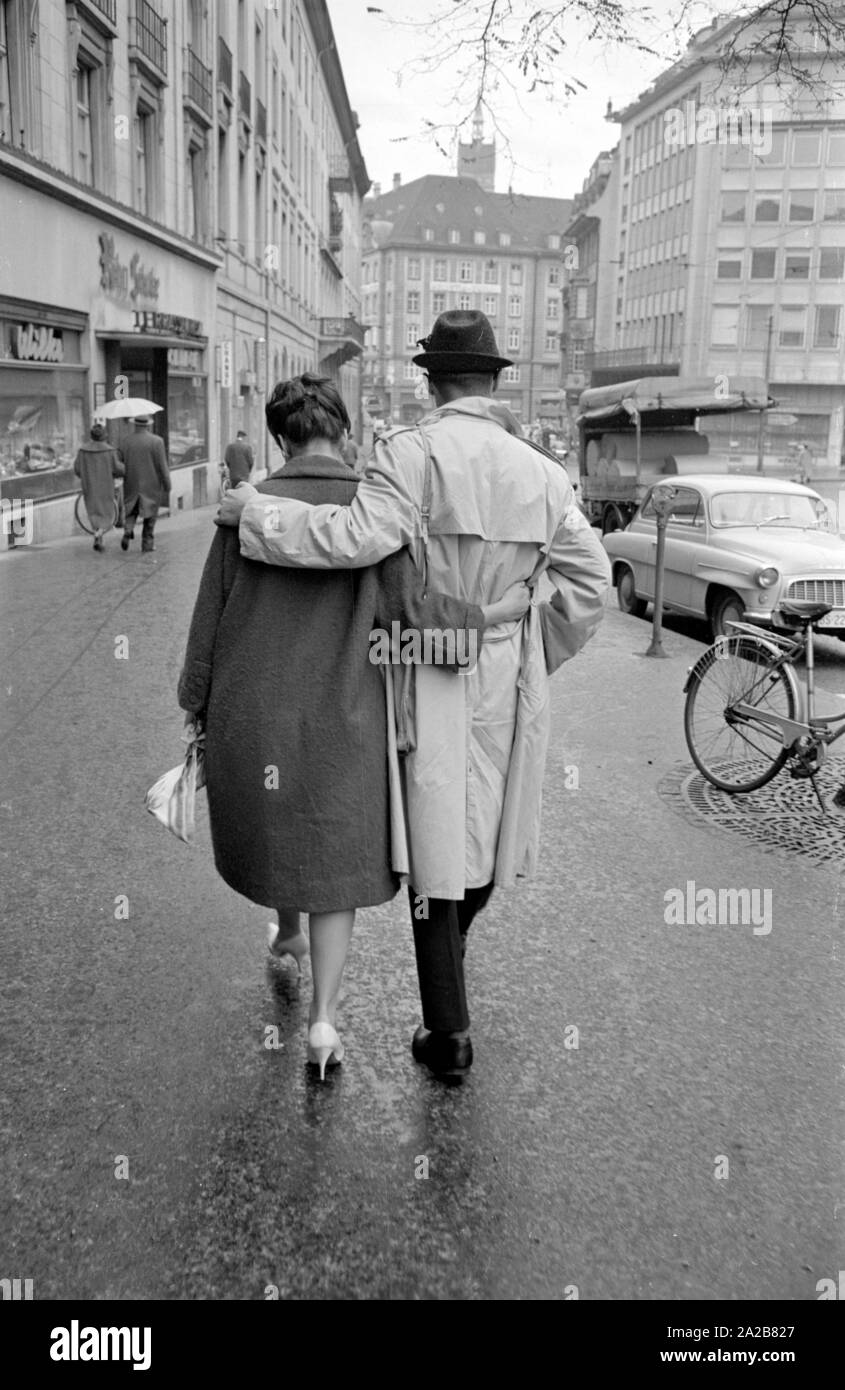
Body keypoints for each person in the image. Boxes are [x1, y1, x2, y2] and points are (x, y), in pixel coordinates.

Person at [219, 310, 611, 1079]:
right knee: (485, 826)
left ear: (431, 382)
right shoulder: (542, 472)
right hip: (503, 667)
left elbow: (353, 541)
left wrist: (256, 512)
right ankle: (448, 1000)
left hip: (419, 658)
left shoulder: (411, 452)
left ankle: (449, 1027)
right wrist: (527, 645)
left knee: (431, 837)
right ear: (494, 380)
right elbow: (591, 584)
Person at [178, 373, 527, 1080]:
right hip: (346, 719)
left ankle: (284, 931)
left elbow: (208, 623)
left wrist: (195, 700)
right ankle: (324, 1023)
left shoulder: (244, 512)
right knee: (331, 857)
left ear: (279, 437)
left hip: (253, 711)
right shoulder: (374, 512)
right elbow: (421, 627)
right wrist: (493, 616)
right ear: (343, 433)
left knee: (281, 828)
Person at [121, 417, 170, 554]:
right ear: (148, 425)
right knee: (150, 515)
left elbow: (120, 463)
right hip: (151, 485)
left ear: (135, 425)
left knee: (131, 510)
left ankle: (128, 530)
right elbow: (162, 466)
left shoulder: (126, 441)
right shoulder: (157, 441)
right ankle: (147, 544)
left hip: (131, 483)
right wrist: (167, 484)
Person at [73, 422, 124, 551]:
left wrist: (86, 476)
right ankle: (100, 535)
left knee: (94, 511)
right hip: (105, 486)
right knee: (105, 512)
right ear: (104, 436)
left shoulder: (83, 450)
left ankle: (98, 536)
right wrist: (124, 468)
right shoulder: (110, 450)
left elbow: (77, 469)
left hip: (90, 486)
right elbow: (118, 469)